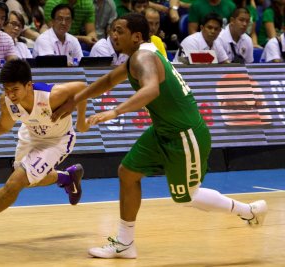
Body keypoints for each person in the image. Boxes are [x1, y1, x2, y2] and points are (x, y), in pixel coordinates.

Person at [51, 12, 268, 259]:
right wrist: (75, 100)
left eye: (119, 30)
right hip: (163, 129)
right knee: (128, 173)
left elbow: (151, 90)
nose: (114, 35)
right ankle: (124, 243)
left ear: (136, 36)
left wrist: (114, 111)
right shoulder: (137, 56)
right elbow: (109, 80)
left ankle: (249, 210)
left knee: (188, 197)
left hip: (184, 134)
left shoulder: (143, 57)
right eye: (112, 30)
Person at [0, 58, 90, 244]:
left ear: (28, 85)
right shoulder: (7, 102)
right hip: (30, 136)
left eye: (15, 90)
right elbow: (1, 127)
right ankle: (66, 177)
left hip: (56, 141)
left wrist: (81, 121)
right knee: (25, 182)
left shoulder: (51, 96)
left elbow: (82, 87)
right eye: (6, 89)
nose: (10, 95)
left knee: (16, 182)